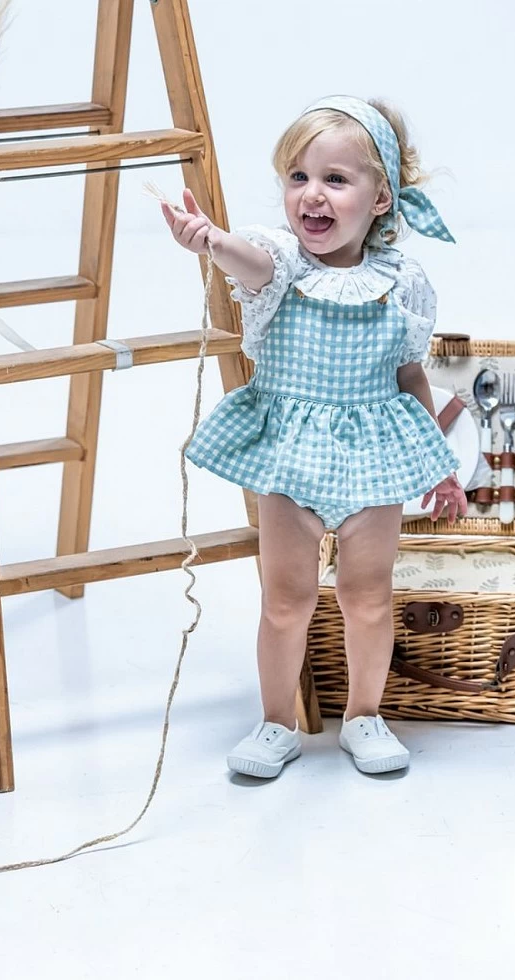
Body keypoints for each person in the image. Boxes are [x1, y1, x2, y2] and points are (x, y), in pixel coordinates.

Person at [160, 95, 467, 778]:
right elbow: (249, 261)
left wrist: (440, 468)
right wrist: (210, 239)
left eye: (335, 179)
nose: (312, 195)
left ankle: (364, 714)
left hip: (373, 459)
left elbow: (410, 375)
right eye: (297, 177)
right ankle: (275, 723)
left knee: (367, 596)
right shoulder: (281, 265)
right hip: (292, 458)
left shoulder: (401, 281)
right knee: (285, 600)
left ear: (381, 197)